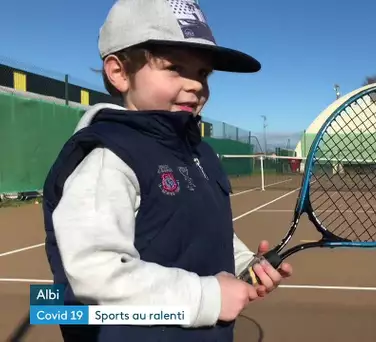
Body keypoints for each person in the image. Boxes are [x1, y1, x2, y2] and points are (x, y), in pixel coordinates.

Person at [41, 0, 292, 341]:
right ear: (119, 72)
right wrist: (207, 296)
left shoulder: (199, 152)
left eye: (203, 73)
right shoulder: (107, 157)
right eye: (175, 67)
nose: (196, 86)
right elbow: (95, 273)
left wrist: (247, 263)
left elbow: (204, 232)